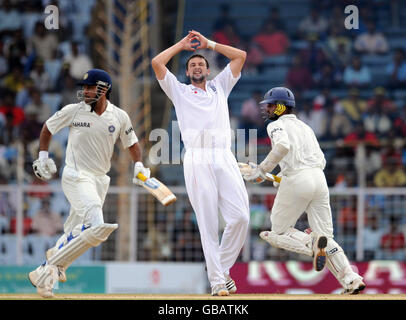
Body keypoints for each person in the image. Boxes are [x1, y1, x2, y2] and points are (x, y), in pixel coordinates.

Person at [27, 68, 151, 298]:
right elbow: (47, 128)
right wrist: (43, 156)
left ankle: (45, 273)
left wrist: (139, 165)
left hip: (99, 180)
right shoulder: (74, 111)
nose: (84, 91)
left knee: (77, 231)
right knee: (96, 225)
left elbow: (132, 142)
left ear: (104, 90)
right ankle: (51, 266)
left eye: (90, 87)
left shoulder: (119, 116)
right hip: (76, 176)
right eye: (83, 87)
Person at [151, 30, 250, 296]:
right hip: (197, 157)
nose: (197, 67)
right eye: (192, 65)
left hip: (224, 155)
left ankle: (221, 268)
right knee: (207, 222)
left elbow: (241, 56)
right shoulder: (180, 91)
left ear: (208, 70)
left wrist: (210, 45)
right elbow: (157, 64)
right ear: (187, 72)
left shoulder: (220, 86)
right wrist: (181, 46)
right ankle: (218, 282)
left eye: (201, 64)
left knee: (240, 217)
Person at [240, 87, 366, 294]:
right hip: (319, 179)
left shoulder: (276, 125)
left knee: (277, 232)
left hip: (298, 179)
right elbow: (320, 160)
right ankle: (351, 279)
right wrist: (283, 175)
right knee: (327, 238)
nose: (268, 109)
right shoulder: (306, 127)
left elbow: (282, 147)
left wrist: (262, 170)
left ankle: (310, 243)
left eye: (271, 105)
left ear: (281, 107)